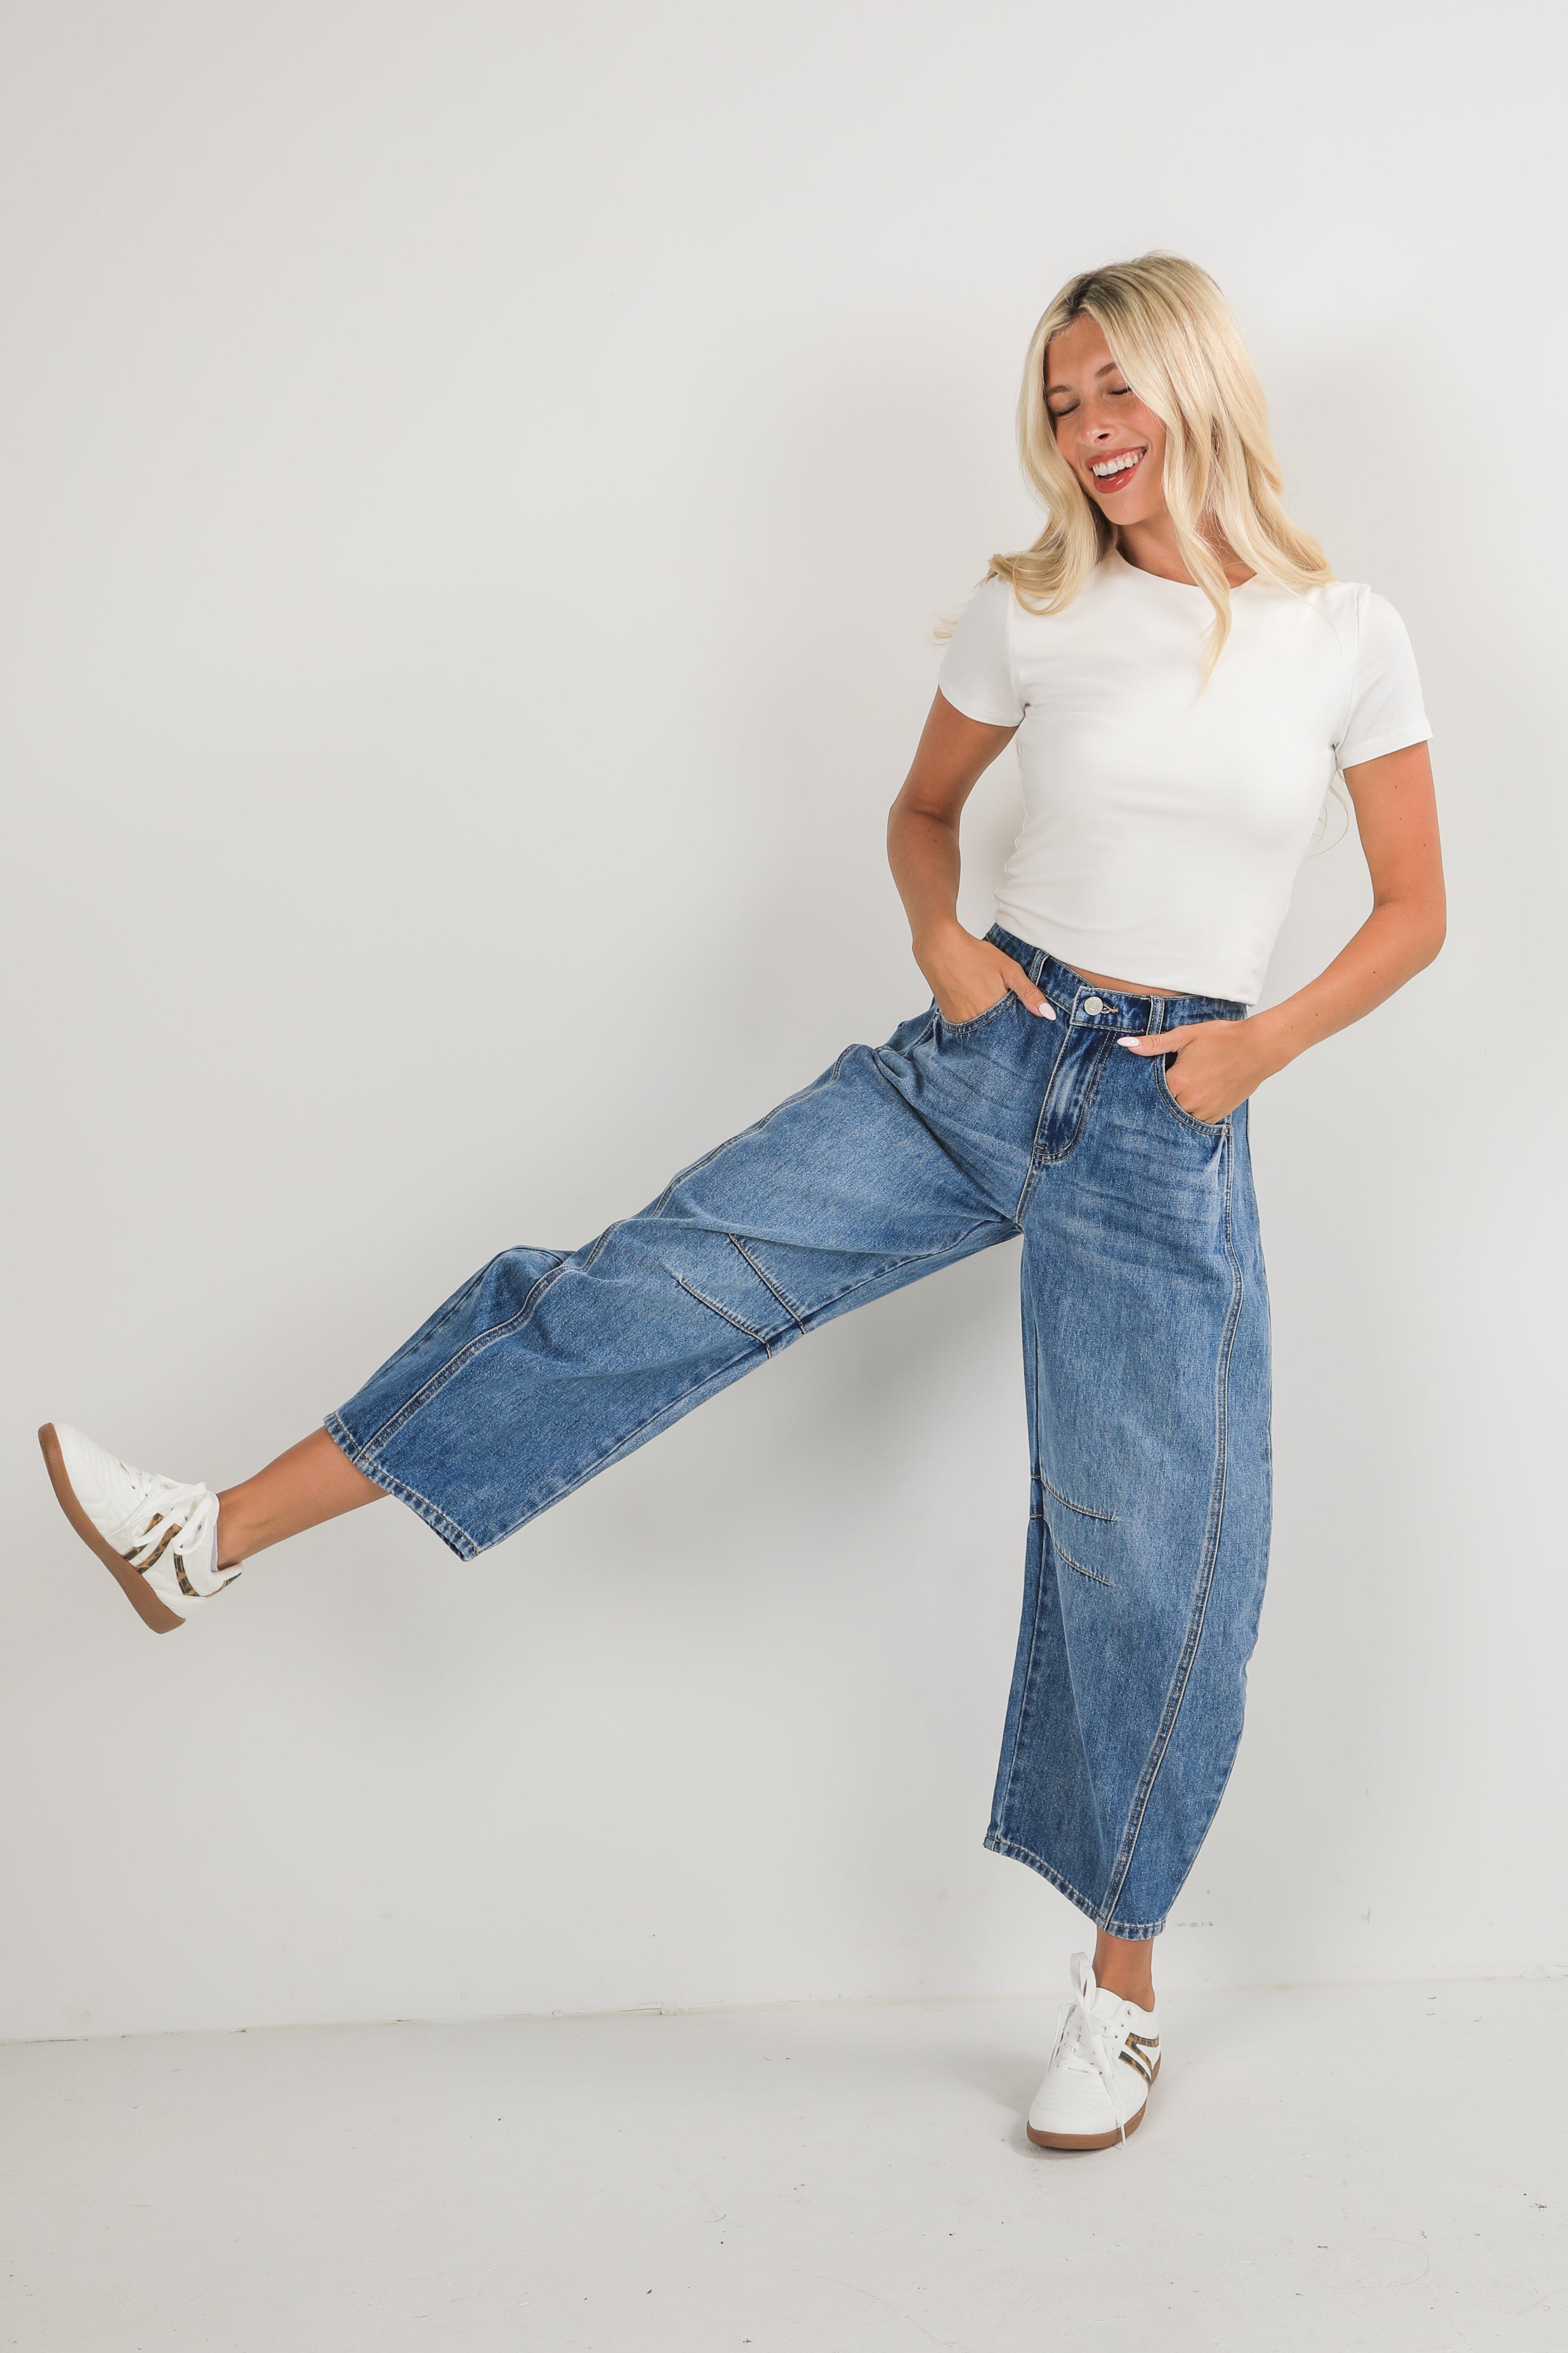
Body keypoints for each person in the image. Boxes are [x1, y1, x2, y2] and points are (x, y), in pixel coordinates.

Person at [39, 253, 1444, 2152]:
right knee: (648, 1284)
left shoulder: (1343, 632)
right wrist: (940, 940)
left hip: (1166, 1111)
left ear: (1195, 381)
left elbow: (1415, 908)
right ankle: (209, 1532)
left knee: (1158, 1538)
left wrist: (1253, 1050)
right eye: (1058, 404)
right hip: (979, 1064)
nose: (1089, 434)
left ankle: (1118, 1996)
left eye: (1113, 389)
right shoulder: (1032, 611)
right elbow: (919, 813)